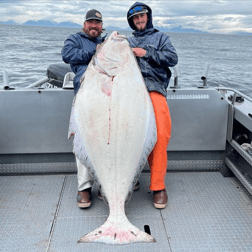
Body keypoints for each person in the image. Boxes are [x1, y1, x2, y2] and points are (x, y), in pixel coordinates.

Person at [127, 2, 178, 208]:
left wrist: (146, 53)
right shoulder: (127, 41)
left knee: (160, 137)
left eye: (142, 16)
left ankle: (158, 186)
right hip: (131, 95)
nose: (139, 20)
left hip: (155, 89)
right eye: (135, 18)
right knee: (129, 138)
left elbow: (172, 58)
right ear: (131, 21)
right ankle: (131, 179)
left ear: (148, 17)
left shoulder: (161, 37)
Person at [61, 9, 106, 208]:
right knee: (83, 143)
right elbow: (67, 55)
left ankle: (105, 184)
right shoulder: (75, 39)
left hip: (107, 100)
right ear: (84, 24)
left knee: (107, 143)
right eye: (91, 22)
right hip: (84, 99)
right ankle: (84, 187)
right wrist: (96, 52)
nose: (94, 26)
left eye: (97, 23)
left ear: (102, 25)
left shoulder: (107, 43)